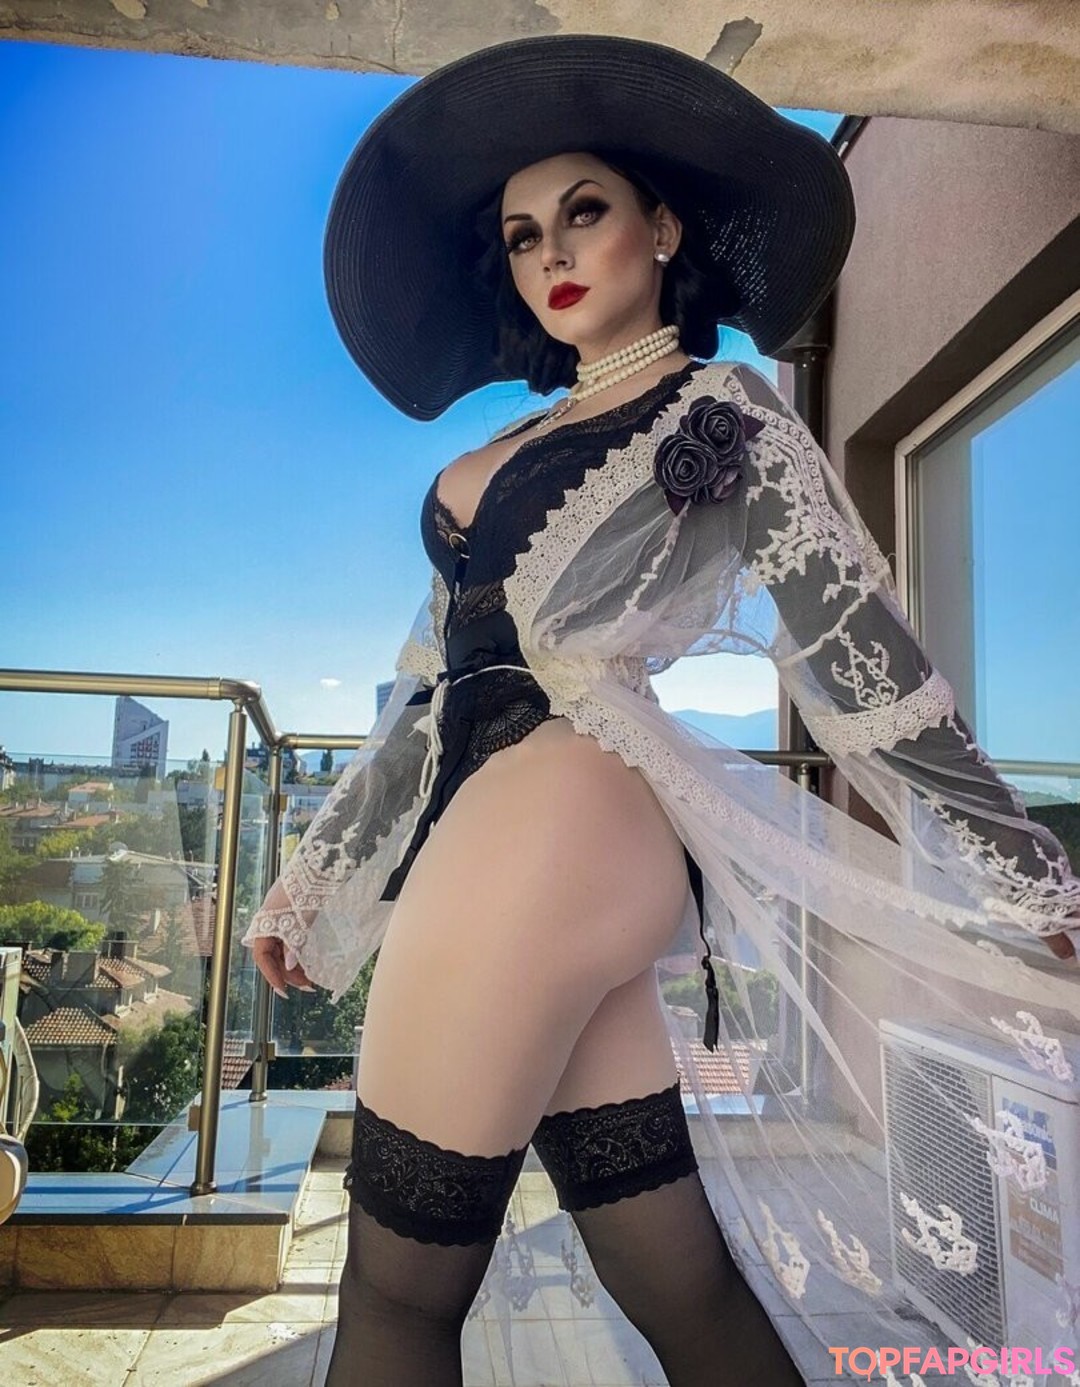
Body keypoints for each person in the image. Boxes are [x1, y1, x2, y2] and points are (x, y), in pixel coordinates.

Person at [243, 34, 1080, 1387]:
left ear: (664, 228)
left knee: (393, 1291)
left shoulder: (719, 410)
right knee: (672, 1272)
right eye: (522, 236)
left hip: (558, 821)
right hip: (546, 843)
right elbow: (423, 700)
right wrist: (315, 877)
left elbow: (863, 664)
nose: (553, 253)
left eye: (585, 211)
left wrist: (1025, 867)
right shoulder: (489, 457)